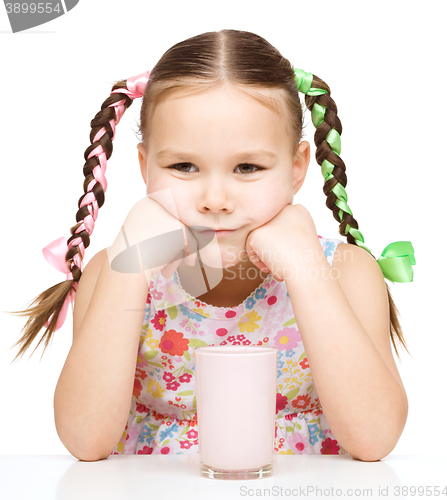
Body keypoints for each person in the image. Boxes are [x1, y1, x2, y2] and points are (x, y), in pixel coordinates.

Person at [8, 29, 415, 462]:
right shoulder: (114, 271)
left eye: (248, 167)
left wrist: (305, 270)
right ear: (146, 167)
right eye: (184, 166)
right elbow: (85, 442)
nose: (216, 200)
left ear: (297, 169)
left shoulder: (346, 271)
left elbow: (375, 440)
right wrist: (130, 267)